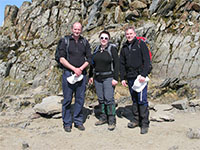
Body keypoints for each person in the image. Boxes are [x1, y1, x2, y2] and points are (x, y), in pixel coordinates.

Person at [58, 22, 92, 132]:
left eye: (79, 29)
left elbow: (89, 58)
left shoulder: (84, 42)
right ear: (72, 29)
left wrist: (81, 69)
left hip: (81, 75)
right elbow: (61, 58)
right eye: (75, 29)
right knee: (67, 99)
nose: (77, 31)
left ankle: (78, 121)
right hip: (69, 74)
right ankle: (67, 123)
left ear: (81, 30)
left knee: (80, 99)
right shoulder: (65, 41)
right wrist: (74, 69)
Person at [120, 25, 150, 134]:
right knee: (134, 99)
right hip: (130, 77)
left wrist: (144, 74)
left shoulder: (140, 44)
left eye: (131, 34)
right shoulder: (124, 47)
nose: (129, 36)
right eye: (127, 34)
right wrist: (122, 77)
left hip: (140, 76)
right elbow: (122, 64)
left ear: (135, 34)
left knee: (142, 99)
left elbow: (147, 60)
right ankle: (136, 120)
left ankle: (144, 123)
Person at [89, 30, 119, 131]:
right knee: (101, 99)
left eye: (106, 38)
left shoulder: (112, 49)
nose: (104, 40)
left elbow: (117, 64)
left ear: (109, 39)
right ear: (99, 39)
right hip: (98, 78)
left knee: (109, 98)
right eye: (102, 38)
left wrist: (115, 78)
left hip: (108, 77)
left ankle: (111, 119)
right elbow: (92, 64)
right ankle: (103, 117)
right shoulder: (97, 49)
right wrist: (91, 76)